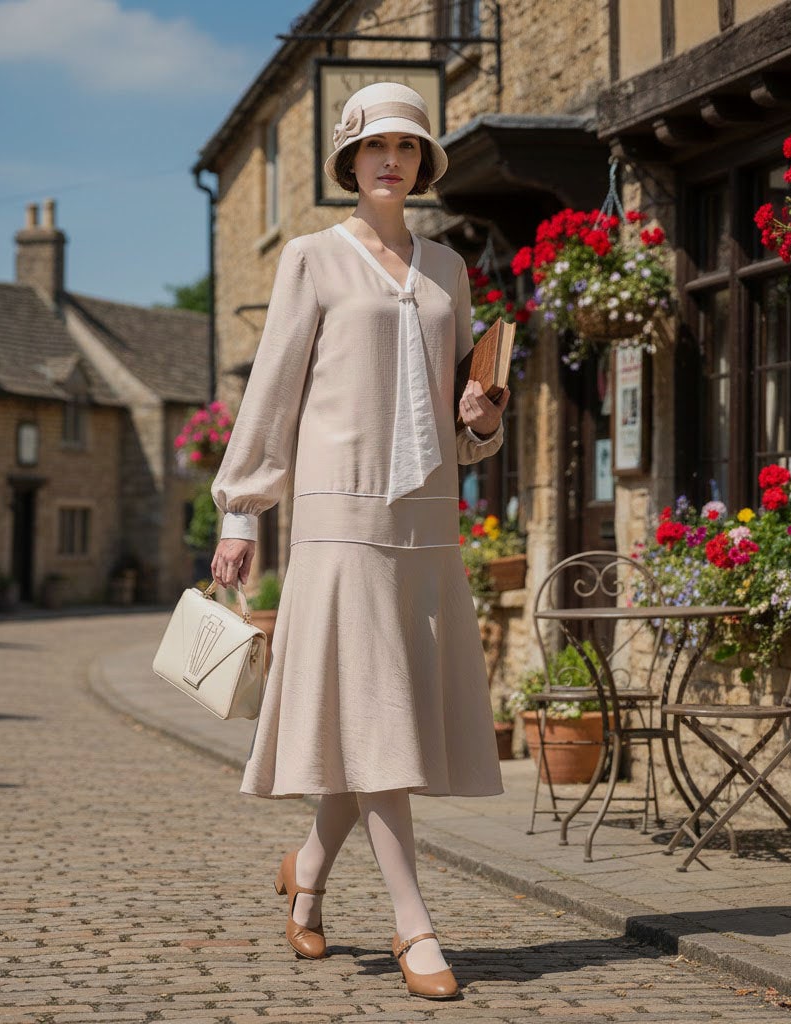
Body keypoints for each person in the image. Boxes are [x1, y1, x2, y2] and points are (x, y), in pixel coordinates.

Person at [209, 81, 510, 1001]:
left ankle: (305, 875)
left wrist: (482, 413)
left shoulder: (449, 271)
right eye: (376, 145)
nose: (393, 159)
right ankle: (415, 924)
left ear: (423, 164)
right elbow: (275, 391)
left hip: (424, 522)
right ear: (349, 160)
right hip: (338, 520)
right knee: (378, 723)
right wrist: (240, 510)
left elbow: (465, 426)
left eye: (409, 147)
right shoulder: (309, 259)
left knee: (373, 724)